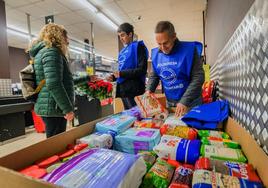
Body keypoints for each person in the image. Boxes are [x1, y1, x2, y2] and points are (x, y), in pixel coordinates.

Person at [28, 23, 97, 138]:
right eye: (66, 36)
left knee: (55, 141)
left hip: (52, 106)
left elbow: (66, 81)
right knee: (55, 144)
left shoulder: (45, 52)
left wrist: (88, 78)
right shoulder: (52, 52)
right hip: (54, 107)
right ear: (58, 36)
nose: (68, 40)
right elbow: (54, 84)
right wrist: (67, 109)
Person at [147, 21, 204, 117]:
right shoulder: (156, 54)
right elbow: (154, 75)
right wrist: (149, 90)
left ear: (174, 36)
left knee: (192, 129)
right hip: (170, 101)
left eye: (165, 43)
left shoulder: (189, 50)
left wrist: (184, 101)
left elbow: (198, 77)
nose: (162, 48)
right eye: (159, 44)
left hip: (191, 102)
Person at [107, 23, 148, 110]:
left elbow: (142, 70)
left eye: (122, 35)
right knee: (129, 116)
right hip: (123, 90)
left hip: (134, 90)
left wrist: (121, 73)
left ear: (130, 34)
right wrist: (113, 77)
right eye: (119, 36)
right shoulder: (121, 52)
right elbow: (119, 70)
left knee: (137, 116)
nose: (121, 38)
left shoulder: (138, 47)